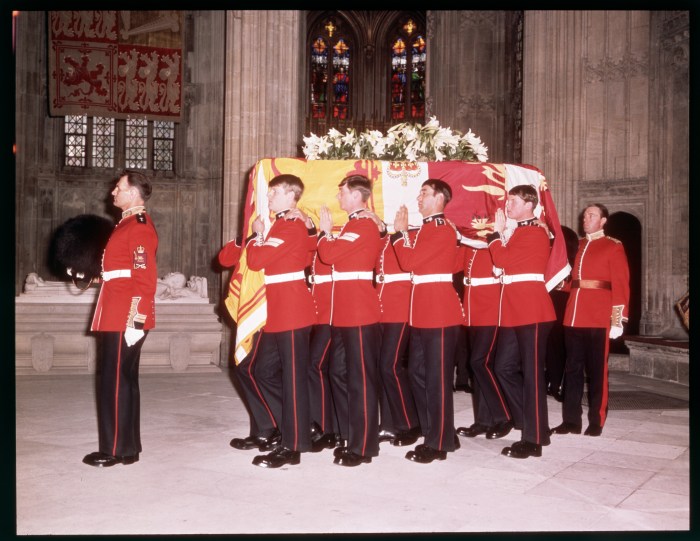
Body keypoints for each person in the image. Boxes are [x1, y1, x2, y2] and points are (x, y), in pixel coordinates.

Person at [83, 170, 158, 467]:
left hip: (124, 315)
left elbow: (144, 278)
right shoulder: (127, 223)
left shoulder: (138, 227)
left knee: (114, 382)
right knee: (123, 382)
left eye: (118, 188)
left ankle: (113, 449)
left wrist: (135, 320)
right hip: (116, 310)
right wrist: (91, 276)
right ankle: (127, 448)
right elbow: (120, 273)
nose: (113, 193)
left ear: (133, 193)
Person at [245, 174, 317, 468]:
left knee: (294, 379)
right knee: (260, 370)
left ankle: (294, 445)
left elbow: (256, 260)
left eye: (274, 192)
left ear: (291, 194)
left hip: (292, 309)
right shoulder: (284, 224)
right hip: (278, 310)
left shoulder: (291, 225)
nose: (270, 197)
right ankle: (296, 424)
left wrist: (257, 236)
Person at [392, 179, 465, 463]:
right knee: (418, 374)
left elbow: (409, 263)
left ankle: (439, 443)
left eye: (424, 193)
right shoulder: (428, 228)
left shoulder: (440, 228)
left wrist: (399, 235)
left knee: (436, 379)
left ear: (440, 198)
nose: (418, 198)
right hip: (423, 310)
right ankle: (437, 431)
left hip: (438, 312)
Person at [317, 174, 383, 467]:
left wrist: (324, 232)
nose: (339, 196)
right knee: (338, 373)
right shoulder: (355, 225)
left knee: (361, 380)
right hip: (343, 311)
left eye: (342, 191)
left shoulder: (364, 224)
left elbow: (329, 254)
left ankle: (364, 447)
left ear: (357, 196)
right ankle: (349, 435)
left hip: (358, 312)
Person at [487, 184, 556, 459]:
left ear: (530, 204)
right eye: (508, 200)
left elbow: (503, 259)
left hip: (532, 311)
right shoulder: (519, 231)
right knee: (502, 367)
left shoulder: (536, 231)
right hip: (514, 310)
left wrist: (496, 235)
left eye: (513, 201)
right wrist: (503, 234)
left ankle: (535, 438)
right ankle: (530, 421)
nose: (508, 205)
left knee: (532, 376)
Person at [550, 203, 630, 437]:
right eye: (585, 215)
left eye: (592, 215)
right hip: (573, 316)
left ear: (604, 221)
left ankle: (597, 419)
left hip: (598, 317)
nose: (586, 219)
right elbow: (574, 283)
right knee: (572, 370)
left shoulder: (613, 246)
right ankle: (571, 421)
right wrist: (556, 284)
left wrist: (618, 319)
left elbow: (621, 285)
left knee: (597, 371)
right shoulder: (578, 246)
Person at [218, 237, 282, 453]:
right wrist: (245, 238)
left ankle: (276, 427)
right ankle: (263, 430)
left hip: (267, 310)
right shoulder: (253, 235)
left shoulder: (277, 233)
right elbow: (225, 259)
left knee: (253, 370)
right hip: (253, 311)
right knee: (246, 369)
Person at [456, 244, 514, 440]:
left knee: (479, 362)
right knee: (478, 365)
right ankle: (483, 421)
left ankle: (504, 416)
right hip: (473, 306)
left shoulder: (494, 239)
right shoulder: (468, 243)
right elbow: (453, 264)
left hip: (491, 306)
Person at [375, 228, 421, 447]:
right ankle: (388, 424)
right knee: (382, 367)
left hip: (400, 304)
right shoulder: (383, 235)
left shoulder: (412, 233)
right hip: (380, 304)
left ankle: (409, 424)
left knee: (390, 366)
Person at [544, 226, 579, 402]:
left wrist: (559, 286)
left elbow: (575, 282)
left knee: (562, 347)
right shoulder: (552, 256)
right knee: (551, 346)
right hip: (550, 301)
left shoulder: (573, 258)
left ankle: (560, 384)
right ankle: (553, 381)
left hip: (564, 303)